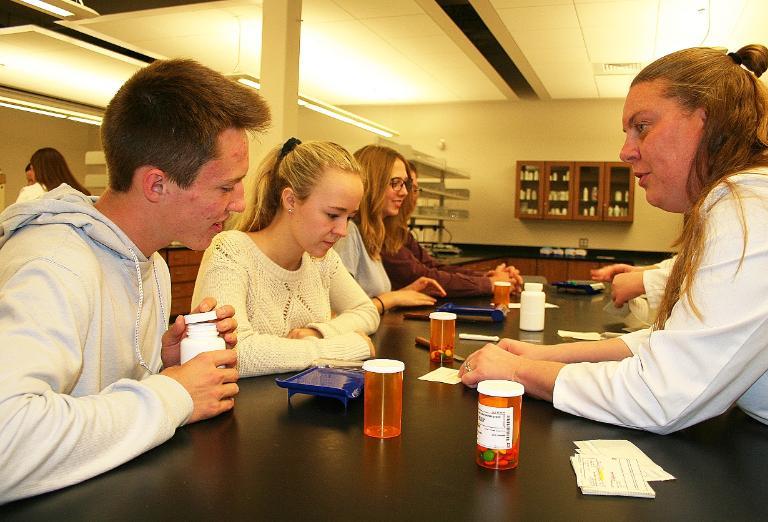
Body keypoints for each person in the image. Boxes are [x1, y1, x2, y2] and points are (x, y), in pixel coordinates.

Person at [460, 44, 768, 437]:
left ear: (706, 119)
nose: (625, 152)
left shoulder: (760, 202)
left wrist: (519, 371)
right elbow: (677, 344)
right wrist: (546, 355)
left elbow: (661, 394)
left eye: (642, 126)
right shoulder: (763, 194)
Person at [0, 58, 271, 503]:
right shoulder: (54, 263)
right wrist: (173, 392)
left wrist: (164, 364)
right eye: (226, 187)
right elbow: (8, 440)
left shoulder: (151, 263)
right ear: (156, 184)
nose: (240, 203)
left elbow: (100, 402)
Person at [191, 139, 379, 376]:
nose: (343, 231)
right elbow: (235, 352)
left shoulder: (324, 260)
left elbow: (366, 311)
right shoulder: (230, 251)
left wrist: (318, 332)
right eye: (333, 215)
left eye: (349, 217)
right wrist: (344, 347)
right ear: (290, 200)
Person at [381, 160, 523, 297]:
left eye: (414, 189)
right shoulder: (381, 235)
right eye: (397, 184)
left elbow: (434, 267)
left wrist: (491, 277)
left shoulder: (398, 232)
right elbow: (423, 277)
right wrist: (490, 283)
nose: (407, 193)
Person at [334, 144, 446, 314]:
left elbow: (368, 301)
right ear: (373, 184)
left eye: (405, 184)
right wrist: (394, 298)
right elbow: (339, 313)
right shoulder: (348, 233)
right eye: (395, 183)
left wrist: (404, 293)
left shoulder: (372, 235)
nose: (405, 192)